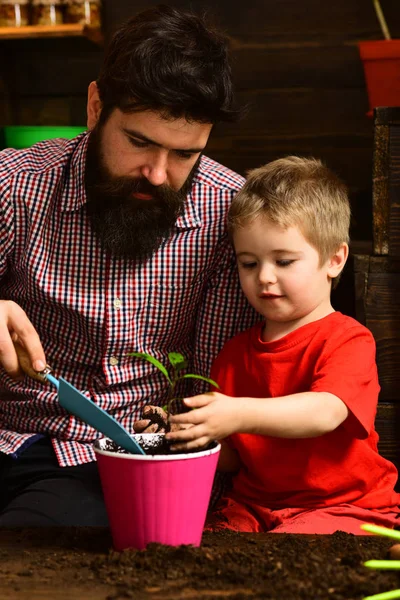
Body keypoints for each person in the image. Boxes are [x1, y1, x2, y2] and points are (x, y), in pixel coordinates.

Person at [0, 5, 258, 526]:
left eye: (185, 155)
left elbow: (206, 395)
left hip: (107, 465)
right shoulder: (17, 183)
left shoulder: (230, 221)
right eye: (139, 142)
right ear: (96, 106)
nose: (158, 175)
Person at [166, 156, 400, 535]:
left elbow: (325, 412)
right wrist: (179, 434)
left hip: (343, 507)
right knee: (200, 543)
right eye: (249, 263)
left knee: (292, 549)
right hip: (255, 505)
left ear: (335, 260)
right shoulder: (233, 355)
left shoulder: (347, 339)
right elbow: (232, 458)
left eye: (284, 261)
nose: (265, 277)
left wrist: (237, 413)